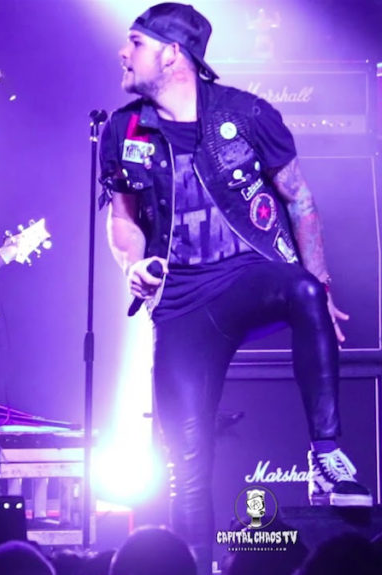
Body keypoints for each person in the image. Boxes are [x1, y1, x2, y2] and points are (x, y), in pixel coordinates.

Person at [99, 4, 373, 573]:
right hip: (182, 302)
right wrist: (132, 264)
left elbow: (299, 199)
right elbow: (121, 217)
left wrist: (321, 286)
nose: (123, 53)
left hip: (248, 274)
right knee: (187, 465)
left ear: (172, 54)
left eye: (136, 43)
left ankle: (326, 456)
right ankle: (196, 565)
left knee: (303, 291)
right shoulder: (122, 130)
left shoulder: (246, 114)